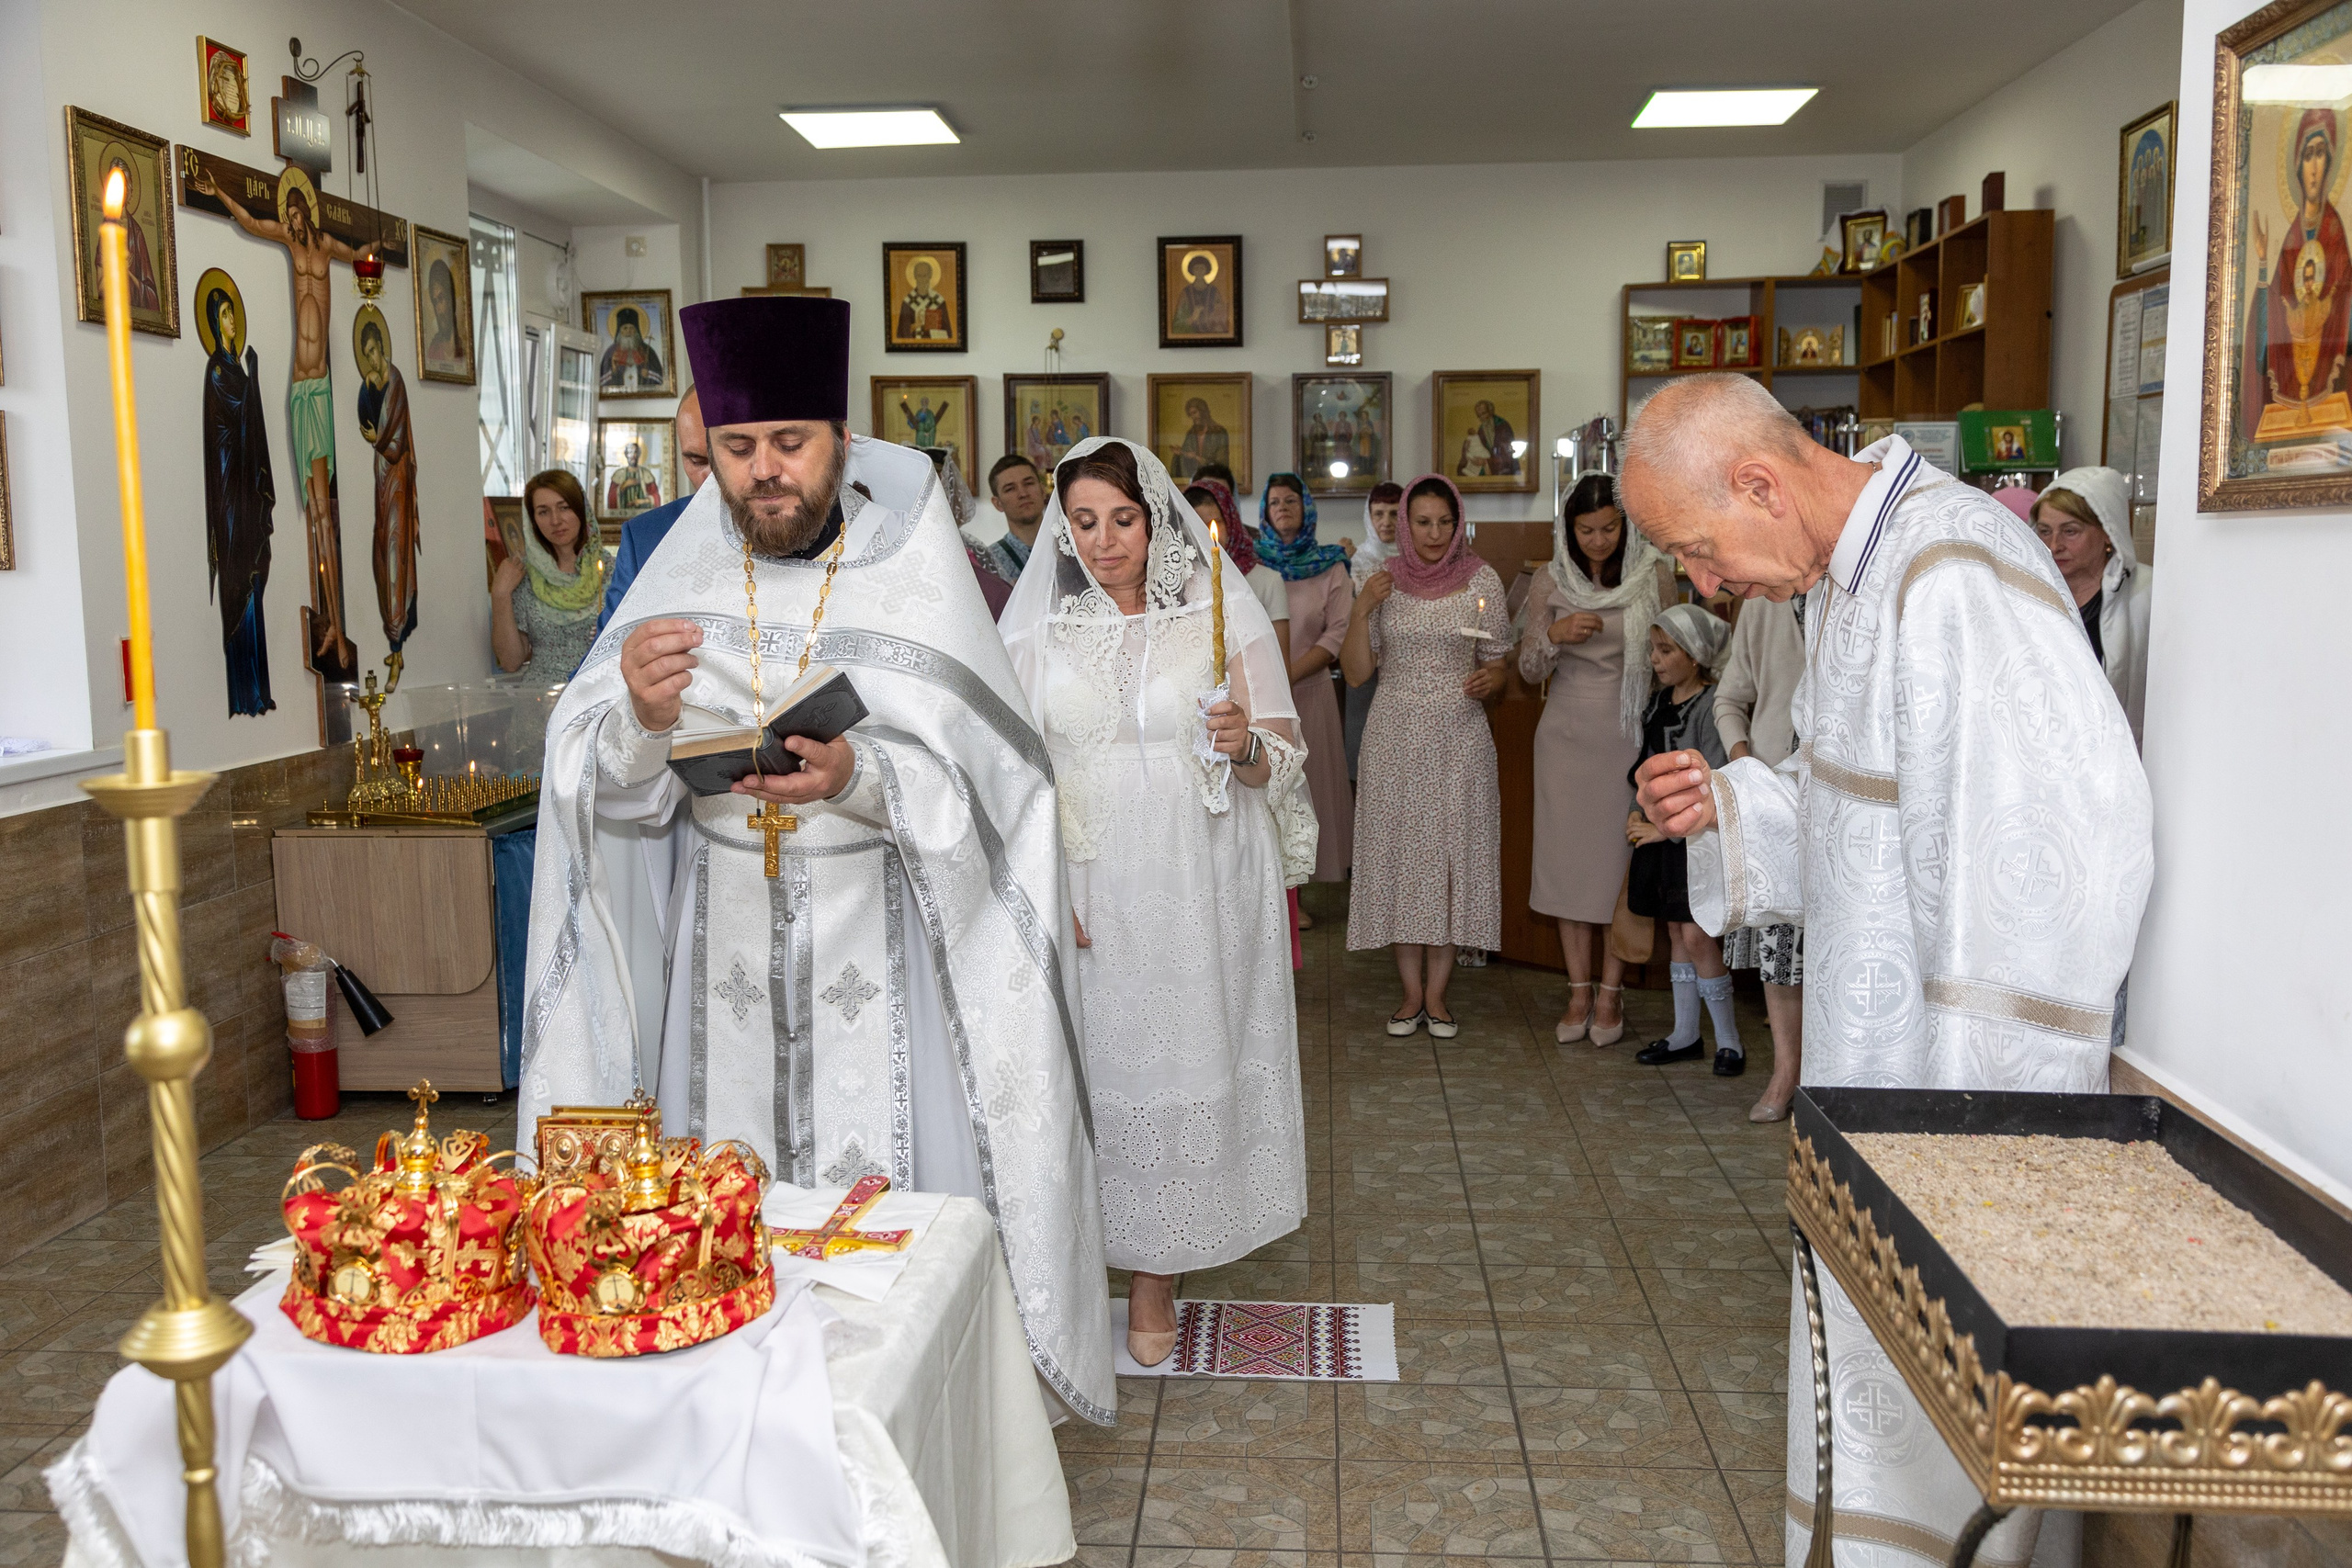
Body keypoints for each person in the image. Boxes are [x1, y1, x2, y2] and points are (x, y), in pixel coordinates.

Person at [522, 293, 1114, 1425]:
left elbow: (1007, 791)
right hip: (719, 964)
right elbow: (599, 793)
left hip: (882, 953)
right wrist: (640, 721)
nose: (762, 474)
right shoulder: (677, 574)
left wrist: (861, 778)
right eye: (738, 450)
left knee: (880, 1248)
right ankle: (730, 1438)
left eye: (788, 444)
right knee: (718, 1242)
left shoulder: (914, 573)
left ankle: (896, 1454)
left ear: (842, 438)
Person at [1624, 374, 2152, 1568]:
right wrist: (1732, 804)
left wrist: (1965, 1125)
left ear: (1760, 483)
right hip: (1879, 1078)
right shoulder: (1857, 579)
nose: (1705, 588)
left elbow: (2064, 852)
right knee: (1886, 1425)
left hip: (1954, 1094)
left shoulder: (1954, 573)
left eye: (1699, 551)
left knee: (1961, 1445)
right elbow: (1854, 799)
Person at [1001, 437, 1311, 1369]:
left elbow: (1279, 759)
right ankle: (1071, 1257)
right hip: (1088, 878)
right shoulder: (1033, 633)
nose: (1103, 542)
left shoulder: (1217, 610)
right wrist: (1046, 884)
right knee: (1086, 1074)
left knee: (1178, 1059)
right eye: (1082, 521)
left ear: (1156, 520)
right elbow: (1009, 773)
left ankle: (1156, 1274)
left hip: (1195, 877)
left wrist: (1240, 741)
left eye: (1122, 520)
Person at [1341, 473, 1510, 1036]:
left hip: (1459, 737)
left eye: (1445, 521)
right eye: (1423, 522)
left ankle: (1438, 995)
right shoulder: (1381, 580)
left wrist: (1493, 678)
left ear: (1458, 520)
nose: (1435, 533)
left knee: (1446, 860)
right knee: (1400, 857)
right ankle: (1409, 993)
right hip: (1394, 735)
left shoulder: (1480, 578)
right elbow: (1360, 673)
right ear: (1403, 526)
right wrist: (1363, 609)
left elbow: (1498, 663)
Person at [189, 163, 368, 682]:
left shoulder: (326, 247)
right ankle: (332, 620)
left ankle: (336, 617)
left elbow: (360, 253)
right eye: (286, 214)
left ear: (305, 212)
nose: (289, 220)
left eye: (295, 212)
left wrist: (378, 242)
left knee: (326, 516)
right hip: (303, 387)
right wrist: (218, 190)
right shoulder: (291, 247)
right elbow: (249, 221)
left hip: (324, 388)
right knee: (316, 514)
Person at [1516, 473, 1673, 1047]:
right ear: (1569, 529)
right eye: (1587, 530)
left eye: (1610, 528)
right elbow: (1529, 667)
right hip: (1565, 736)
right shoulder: (1550, 578)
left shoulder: (1653, 575)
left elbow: (1673, 655)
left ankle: (1612, 993)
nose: (1599, 540)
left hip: (1627, 734)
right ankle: (1577, 990)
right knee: (1566, 869)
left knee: (1615, 869)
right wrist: (1554, 633)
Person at [1623, 604, 1740, 1074]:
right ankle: (1685, 1034)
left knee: (1696, 933)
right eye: (1653, 648)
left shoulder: (1711, 707)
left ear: (1695, 656)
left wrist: (1662, 827)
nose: (1655, 658)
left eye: (1666, 649)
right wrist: (1640, 817)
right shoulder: (1658, 703)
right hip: (1661, 840)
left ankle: (1729, 1040)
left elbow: (1710, 778)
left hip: (1694, 840)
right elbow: (1645, 767)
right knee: (1675, 931)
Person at [1712, 585, 1810, 1120]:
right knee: (1781, 944)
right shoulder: (1765, 600)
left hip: (1853, 799)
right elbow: (1729, 698)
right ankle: (1785, 1072)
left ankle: (1834, 1077)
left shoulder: (1863, 585)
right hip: (1777, 795)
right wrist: (1746, 765)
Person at [1256, 474, 1356, 897]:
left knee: (1311, 789)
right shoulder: (1252, 564)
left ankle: (1304, 889)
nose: (1283, 508)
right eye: (1274, 502)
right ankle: (1272, 889)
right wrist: (1271, 682)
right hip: (1259, 696)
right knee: (1266, 792)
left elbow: (1336, 634)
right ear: (1264, 512)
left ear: (1307, 508)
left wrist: (1288, 675)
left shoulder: (1331, 565)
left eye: (1291, 501)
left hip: (1310, 693)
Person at [2031, 467, 2154, 745]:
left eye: (2070, 531)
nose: (2054, 545)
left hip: (2119, 751)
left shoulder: (2147, 594)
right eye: (2044, 531)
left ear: (2108, 532)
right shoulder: (2028, 592)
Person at [199, 283, 277, 717]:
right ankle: (244, 693)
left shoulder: (233, 368)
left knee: (253, 583)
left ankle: (258, 691)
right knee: (239, 582)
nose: (232, 322)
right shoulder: (216, 371)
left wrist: (253, 377)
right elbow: (239, 413)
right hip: (230, 499)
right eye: (225, 315)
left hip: (245, 492)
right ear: (215, 323)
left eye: (232, 313)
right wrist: (256, 379)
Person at [594, 387, 707, 638]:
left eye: (735, 451)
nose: (711, 477)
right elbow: (596, 666)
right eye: (697, 462)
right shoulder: (647, 537)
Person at [492, 470, 608, 682]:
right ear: (532, 520)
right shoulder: (524, 576)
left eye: (564, 508)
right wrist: (500, 595)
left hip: (599, 695)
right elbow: (510, 662)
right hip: (539, 702)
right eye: (543, 512)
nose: (556, 520)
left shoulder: (613, 570)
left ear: (581, 510)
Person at [355, 316, 420, 658]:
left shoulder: (395, 382)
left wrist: (376, 439)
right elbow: (368, 420)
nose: (373, 359)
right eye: (367, 355)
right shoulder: (372, 384)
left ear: (382, 348)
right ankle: (392, 624)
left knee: (396, 544)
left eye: (374, 351)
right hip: (382, 477)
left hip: (397, 479)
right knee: (382, 543)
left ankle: (398, 624)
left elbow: (393, 440)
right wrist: (369, 386)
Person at [1342, 481, 1403, 779]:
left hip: (1403, 673)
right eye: (1379, 514)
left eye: (1394, 514)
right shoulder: (1356, 561)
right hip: (1365, 673)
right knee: (1365, 764)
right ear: (1368, 516)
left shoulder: (1417, 560)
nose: (1386, 522)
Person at [976, 453, 1046, 587]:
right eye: (1010, 489)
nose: (1023, 494)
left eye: (1029, 483)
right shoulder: (989, 562)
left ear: (1043, 491)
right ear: (998, 504)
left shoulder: (1074, 547)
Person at [598, 306, 665, 393]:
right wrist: (614, 371)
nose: (628, 331)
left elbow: (659, 378)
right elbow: (602, 381)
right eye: (625, 328)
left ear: (636, 330)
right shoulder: (611, 352)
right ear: (620, 331)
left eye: (631, 328)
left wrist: (648, 374)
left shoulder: (647, 350)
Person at [1172, 396, 1229, 479]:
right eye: (1191, 414)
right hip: (1194, 480)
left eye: (1195, 412)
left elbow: (1222, 464)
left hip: (1213, 480)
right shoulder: (1191, 434)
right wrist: (1181, 453)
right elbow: (1185, 459)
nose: (1193, 417)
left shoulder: (1219, 433)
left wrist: (1196, 458)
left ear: (1203, 411)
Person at [604, 441, 663, 515]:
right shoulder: (618, 474)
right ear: (626, 455)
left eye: (635, 452)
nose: (633, 455)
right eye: (630, 452)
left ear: (639, 454)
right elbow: (611, 498)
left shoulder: (646, 474)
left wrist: (642, 501)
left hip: (644, 515)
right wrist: (624, 485)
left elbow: (656, 497)